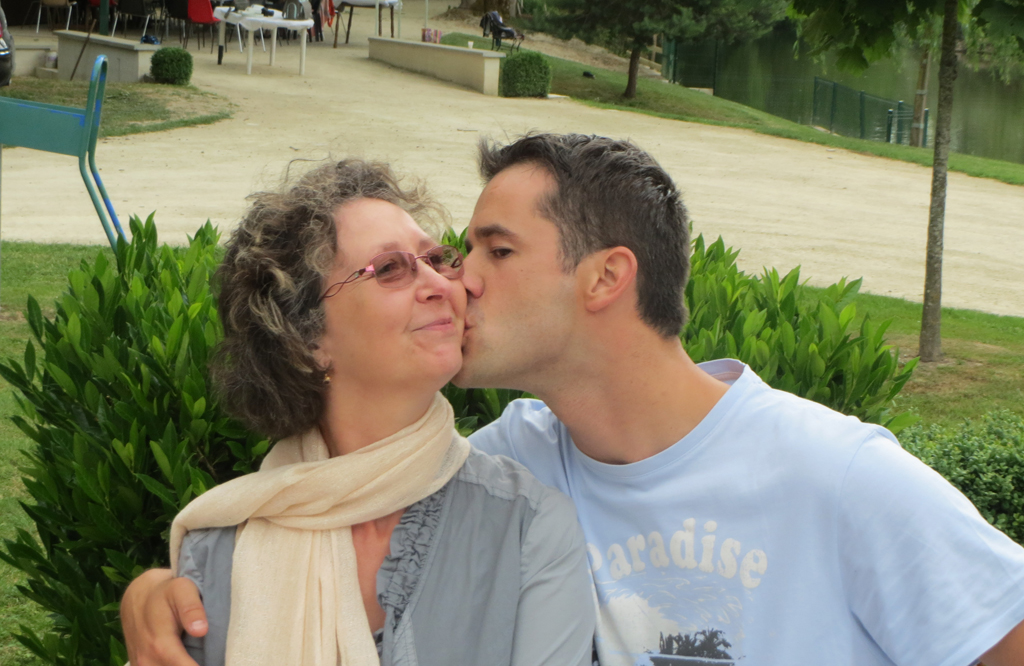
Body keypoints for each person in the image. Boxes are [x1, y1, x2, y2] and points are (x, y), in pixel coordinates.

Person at [122, 135, 1024, 666]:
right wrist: (157, 592)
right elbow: (338, 497)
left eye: (495, 251)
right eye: (452, 255)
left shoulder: (836, 476)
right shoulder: (509, 465)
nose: (459, 281)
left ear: (604, 279)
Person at [122, 159, 595, 666]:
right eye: (390, 269)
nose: (440, 284)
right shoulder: (217, 550)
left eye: (436, 259)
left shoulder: (527, 527)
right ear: (306, 339)